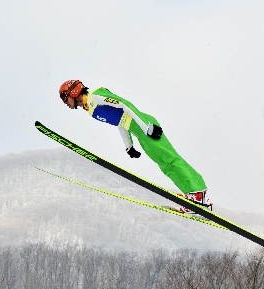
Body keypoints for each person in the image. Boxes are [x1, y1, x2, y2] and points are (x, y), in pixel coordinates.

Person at [58, 80, 209, 207]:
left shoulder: (96, 96)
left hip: (145, 126)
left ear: (74, 91)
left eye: (65, 98)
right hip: (137, 130)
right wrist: (128, 146)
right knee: (165, 165)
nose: (65, 102)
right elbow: (120, 121)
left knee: (170, 158)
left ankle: (199, 192)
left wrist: (146, 127)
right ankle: (192, 199)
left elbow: (125, 105)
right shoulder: (90, 109)